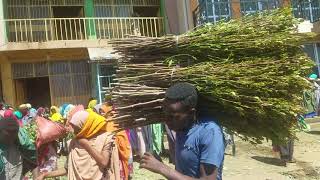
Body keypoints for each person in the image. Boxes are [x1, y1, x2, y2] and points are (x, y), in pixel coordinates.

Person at [140, 83, 225, 180]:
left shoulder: (210, 132)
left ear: (191, 113)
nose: (167, 121)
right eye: (165, 114)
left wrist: (162, 168)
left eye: (173, 116)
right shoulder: (182, 127)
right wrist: (159, 163)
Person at [67, 110, 120, 180]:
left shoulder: (104, 138)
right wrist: (48, 174)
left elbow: (104, 162)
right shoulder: (74, 143)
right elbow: (67, 167)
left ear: (85, 126)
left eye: (77, 128)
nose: (74, 131)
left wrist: (86, 145)